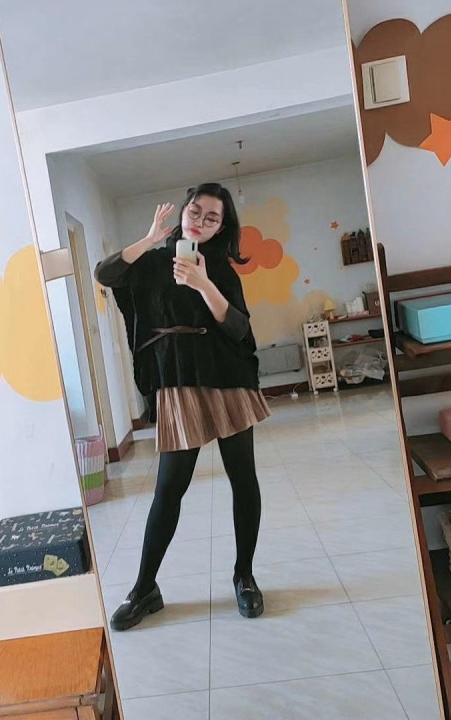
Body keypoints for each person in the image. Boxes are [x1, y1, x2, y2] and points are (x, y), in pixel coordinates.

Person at [94, 182, 270, 631]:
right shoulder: (152, 262)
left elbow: (239, 329)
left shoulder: (221, 269)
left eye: (212, 218)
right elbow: (106, 274)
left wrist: (205, 283)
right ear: (183, 211)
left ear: (221, 227)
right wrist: (149, 239)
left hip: (226, 378)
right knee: (169, 488)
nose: (200, 222)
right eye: (196, 211)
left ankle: (244, 576)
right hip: (176, 381)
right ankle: (145, 588)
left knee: (243, 479)